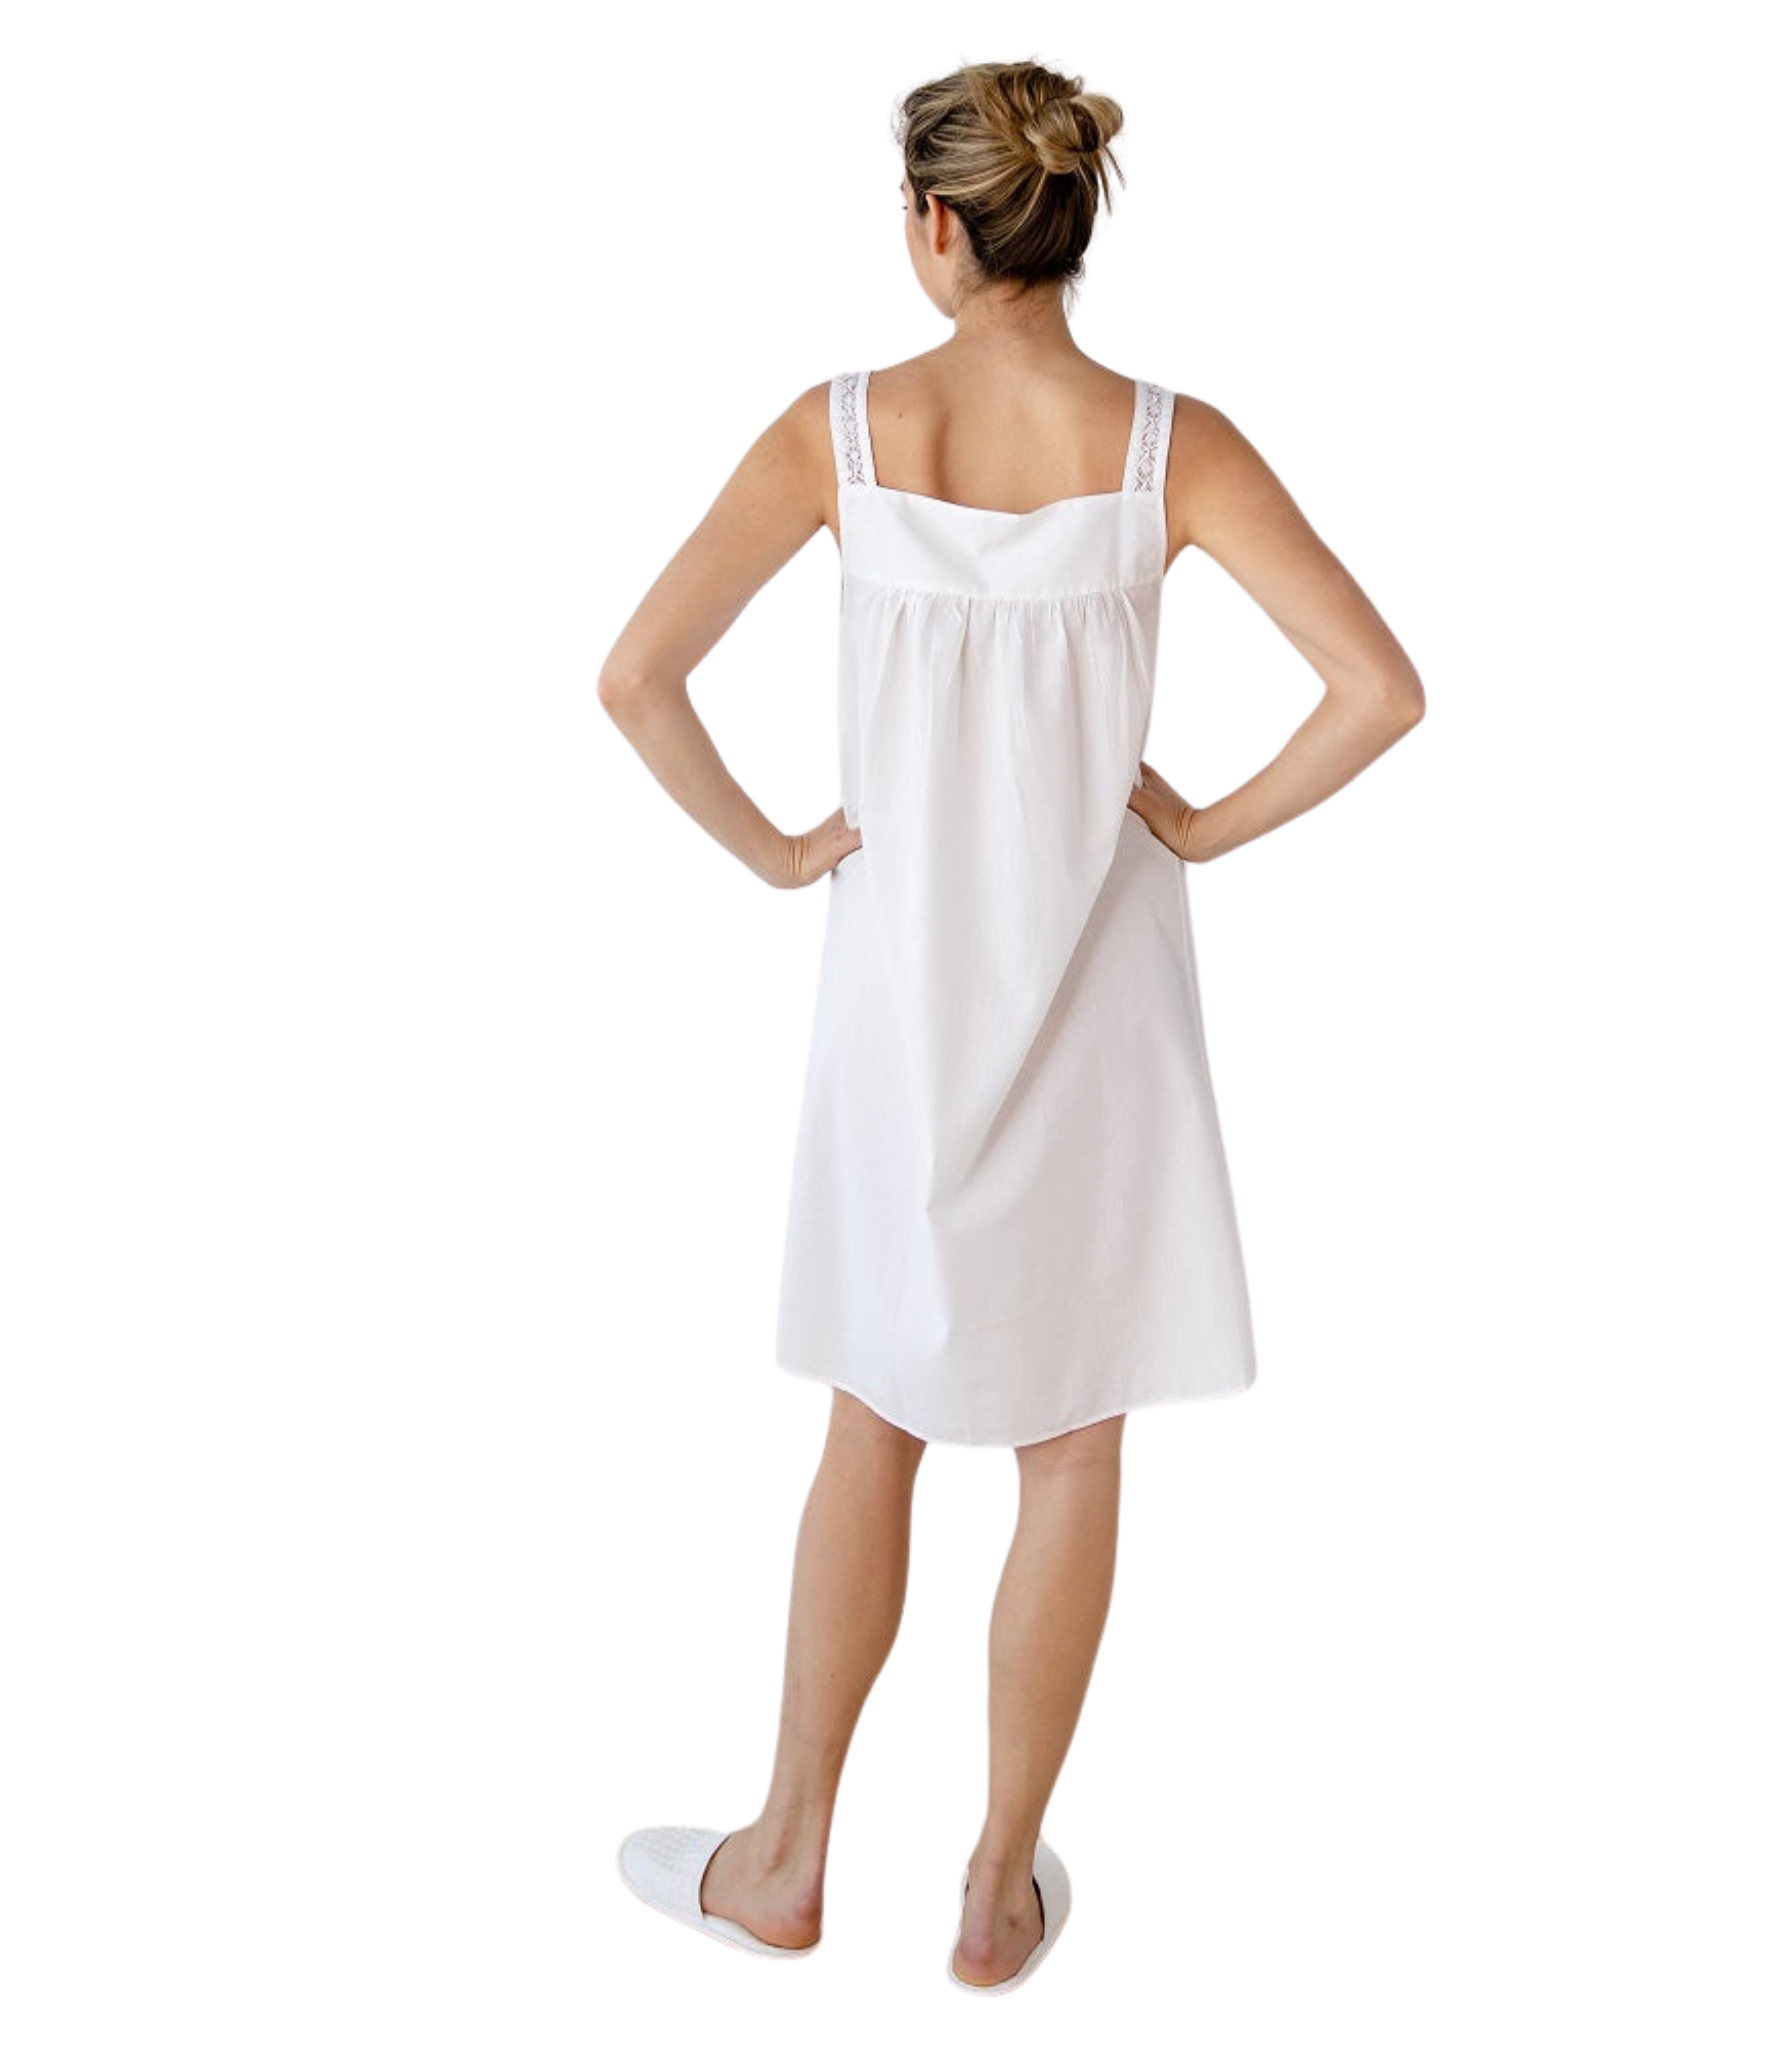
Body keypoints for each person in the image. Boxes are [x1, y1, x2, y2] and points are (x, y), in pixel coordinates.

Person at [597, 59, 1425, 1993]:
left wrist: (779, 850)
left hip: (898, 991)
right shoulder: (1167, 450)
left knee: (872, 1415)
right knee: (1070, 1439)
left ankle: (785, 1857)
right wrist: (1200, 826)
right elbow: (1379, 690)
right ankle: (991, 1891)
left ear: (937, 226)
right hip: (1097, 995)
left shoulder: (842, 434)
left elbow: (636, 677)